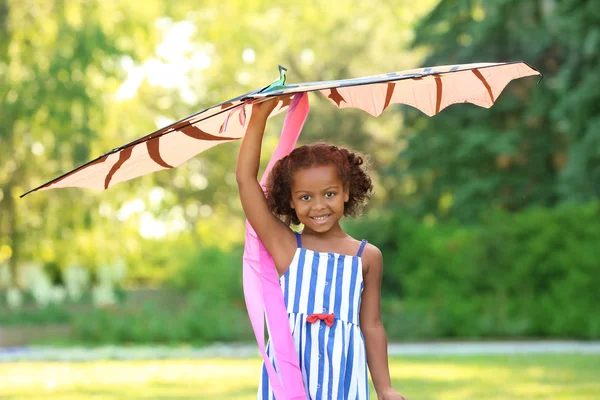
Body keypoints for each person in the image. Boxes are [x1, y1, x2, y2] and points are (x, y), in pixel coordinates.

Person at [236, 98, 407, 400]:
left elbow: (373, 325)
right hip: (291, 379)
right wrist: (259, 117)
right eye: (304, 197)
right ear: (289, 200)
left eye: (329, 193)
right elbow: (245, 181)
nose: (318, 206)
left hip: (344, 379)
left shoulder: (367, 257)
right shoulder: (286, 247)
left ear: (346, 192)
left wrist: (385, 388)